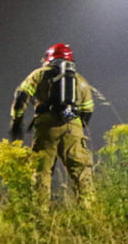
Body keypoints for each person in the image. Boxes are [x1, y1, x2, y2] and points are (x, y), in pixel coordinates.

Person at [9, 43, 95, 199]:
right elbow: (88, 110)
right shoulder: (79, 80)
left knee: (41, 171)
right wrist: (74, 125)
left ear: (49, 58)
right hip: (73, 127)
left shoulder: (39, 74)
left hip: (47, 127)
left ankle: (41, 216)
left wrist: (17, 121)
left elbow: (21, 96)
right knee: (81, 172)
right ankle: (89, 214)